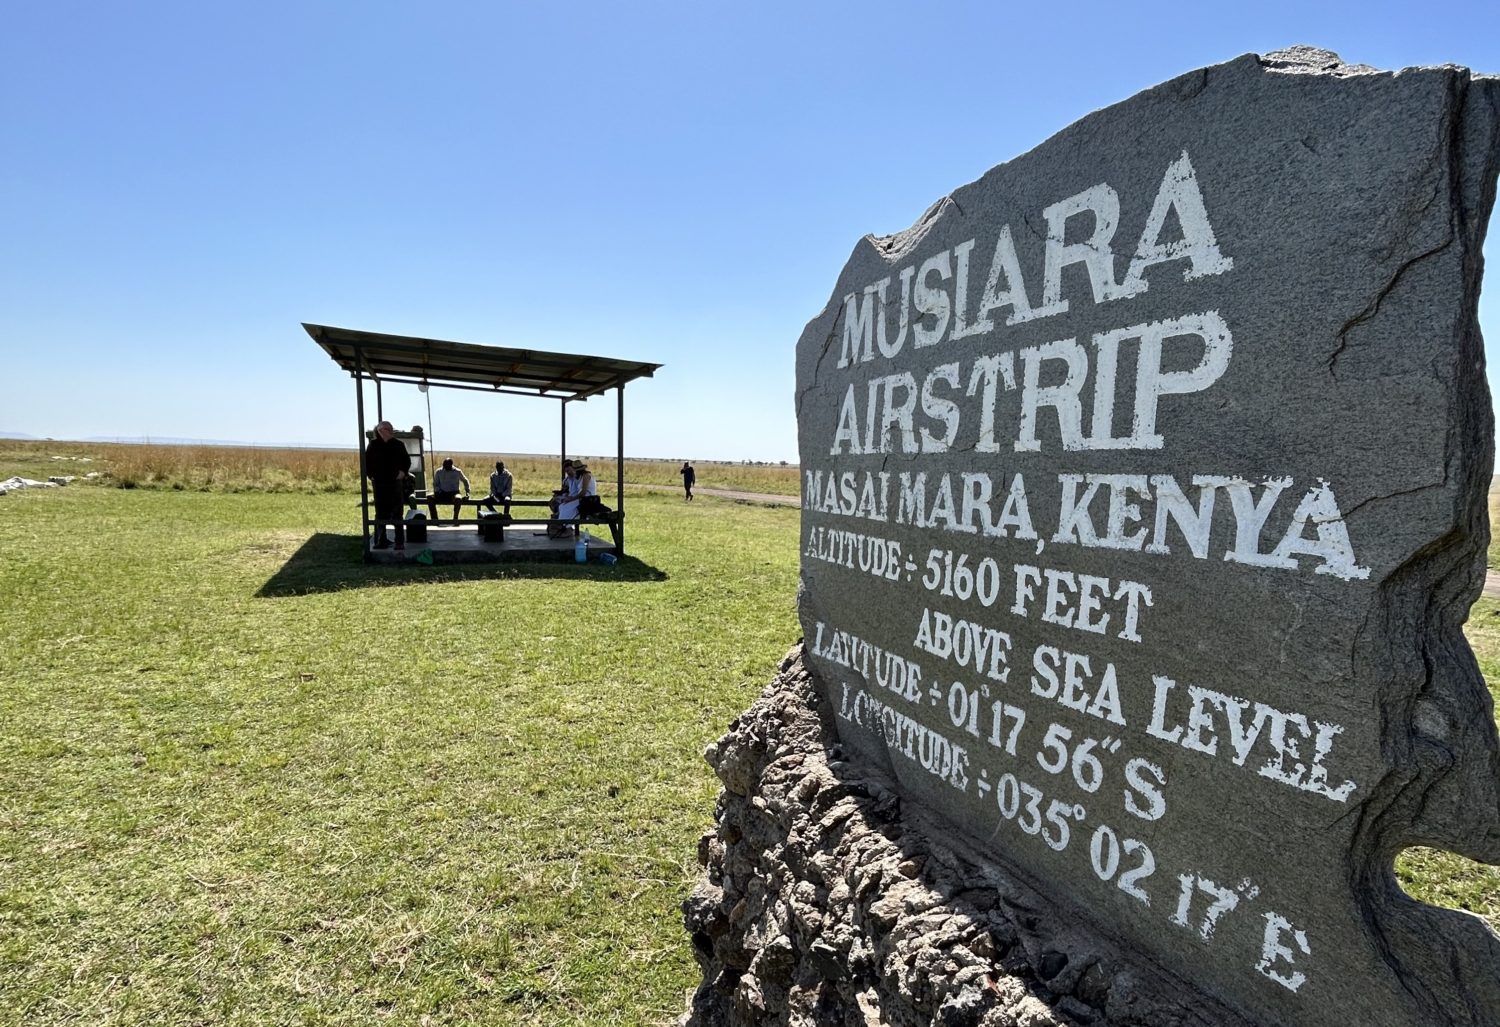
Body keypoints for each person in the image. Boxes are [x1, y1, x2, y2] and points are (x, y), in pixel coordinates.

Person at [365, 420, 411, 551]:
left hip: (395, 482)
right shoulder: (373, 445)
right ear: (379, 431)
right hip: (379, 483)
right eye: (386, 428)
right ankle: (381, 540)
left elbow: (406, 461)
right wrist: (371, 475)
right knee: (380, 511)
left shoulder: (398, 445)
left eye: (390, 428)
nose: (389, 430)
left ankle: (399, 542)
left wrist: (402, 473)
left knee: (397, 511)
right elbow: (367, 462)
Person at [428, 458, 470, 523]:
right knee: (430, 497)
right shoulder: (439, 471)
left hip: (454, 493)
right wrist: (438, 491)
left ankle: (455, 519)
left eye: (448, 466)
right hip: (441, 493)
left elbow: (465, 481)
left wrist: (467, 492)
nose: (446, 467)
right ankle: (435, 520)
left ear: (451, 465)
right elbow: (435, 484)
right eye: (445, 466)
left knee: (458, 499)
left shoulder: (457, 472)